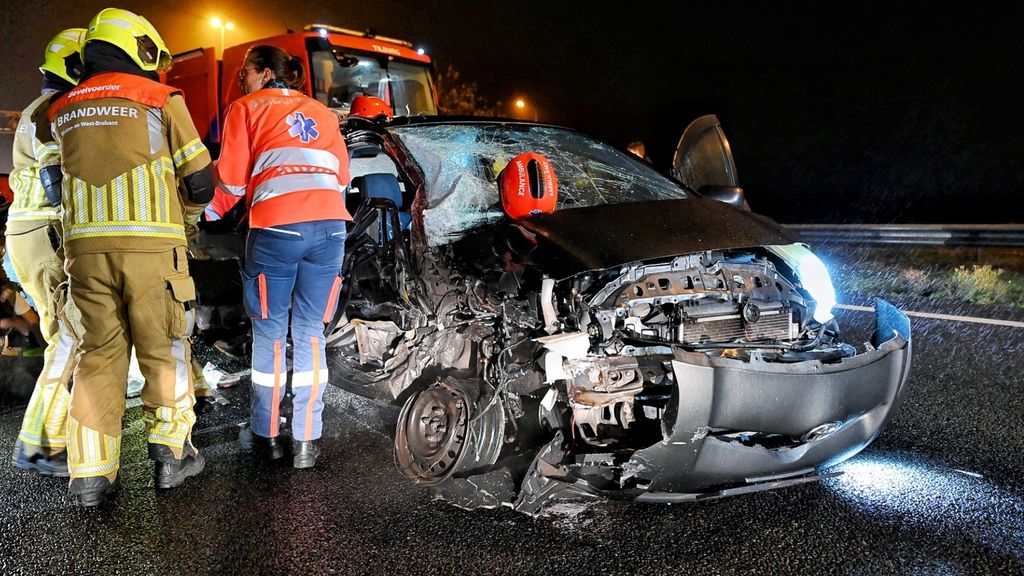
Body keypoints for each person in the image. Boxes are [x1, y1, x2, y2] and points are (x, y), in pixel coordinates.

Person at [47, 7, 214, 505]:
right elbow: (201, 179)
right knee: (164, 350)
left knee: (98, 356)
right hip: (152, 252)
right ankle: (172, 458)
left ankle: (92, 478)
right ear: (138, 46)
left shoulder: (60, 109)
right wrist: (184, 217)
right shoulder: (160, 97)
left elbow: (55, 187)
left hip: (85, 256)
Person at [216, 45, 351, 469]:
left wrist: (206, 213)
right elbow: (341, 177)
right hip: (331, 228)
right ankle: (307, 440)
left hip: (277, 227)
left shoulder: (247, 107)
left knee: (271, 332)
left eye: (244, 72)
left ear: (261, 73)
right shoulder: (323, 112)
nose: (241, 80)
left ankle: (267, 435)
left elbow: (232, 183)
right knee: (311, 331)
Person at [5, 28, 86, 476]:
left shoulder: (37, 109)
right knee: (70, 336)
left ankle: (53, 432)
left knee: (65, 335)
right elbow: (59, 183)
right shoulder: (56, 110)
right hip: (48, 234)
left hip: (28, 235)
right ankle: (40, 443)